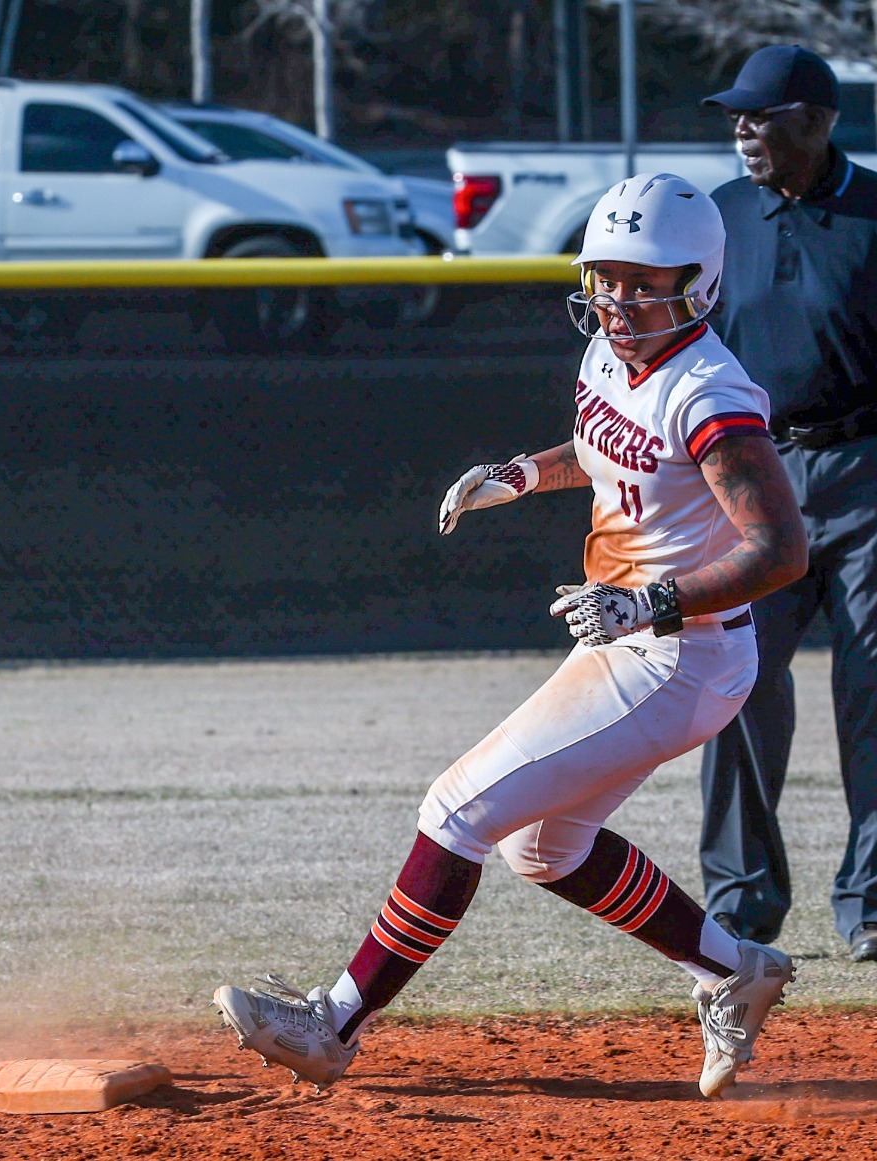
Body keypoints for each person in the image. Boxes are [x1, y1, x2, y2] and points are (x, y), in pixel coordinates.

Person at [213, 174, 808, 1098]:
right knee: (546, 850)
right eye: (606, 276)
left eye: (642, 280)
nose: (618, 298)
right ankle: (734, 968)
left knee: (456, 810)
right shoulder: (615, 359)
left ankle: (332, 1023)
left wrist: (648, 603)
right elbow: (612, 452)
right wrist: (522, 474)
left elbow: (781, 549)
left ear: (701, 281)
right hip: (641, 640)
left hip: (681, 651)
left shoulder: (710, 391)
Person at [697, 45, 877, 964]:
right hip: (754, 480)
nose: (742, 128)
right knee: (730, 686)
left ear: (815, 120)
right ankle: (739, 904)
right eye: (735, 113)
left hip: (874, 473)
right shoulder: (722, 216)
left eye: (761, 113)